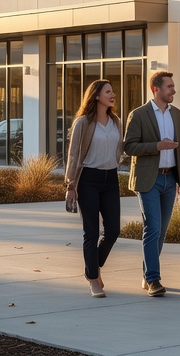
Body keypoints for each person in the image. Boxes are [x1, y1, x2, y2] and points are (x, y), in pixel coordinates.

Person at [123, 69, 180, 297]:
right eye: (170, 87)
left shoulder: (176, 114)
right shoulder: (139, 114)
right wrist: (157, 146)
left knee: (161, 232)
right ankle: (153, 279)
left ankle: (147, 273)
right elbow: (129, 146)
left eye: (173, 86)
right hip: (149, 179)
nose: (174, 90)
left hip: (170, 178)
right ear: (155, 89)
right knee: (153, 228)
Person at [64, 79, 122, 298]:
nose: (112, 94)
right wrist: (71, 185)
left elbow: (119, 149)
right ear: (96, 96)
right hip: (88, 178)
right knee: (91, 231)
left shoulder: (116, 121)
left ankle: (93, 266)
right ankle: (93, 279)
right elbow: (73, 155)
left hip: (111, 178)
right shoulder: (83, 122)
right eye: (108, 91)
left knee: (113, 230)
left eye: (112, 91)